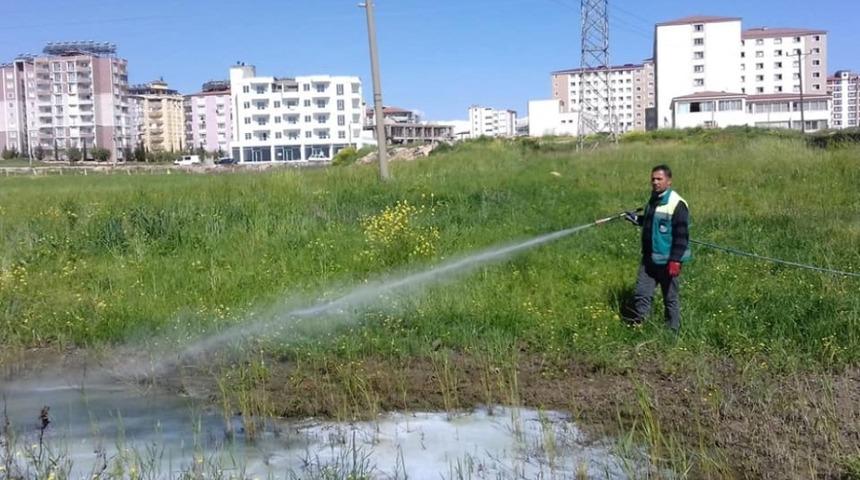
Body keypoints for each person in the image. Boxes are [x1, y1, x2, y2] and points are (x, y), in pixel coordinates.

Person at [624, 165, 690, 332]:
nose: (655, 182)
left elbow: (682, 236)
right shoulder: (654, 199)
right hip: (649, 258)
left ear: (669, 181)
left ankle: (672, 331)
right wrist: (637, 219)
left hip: (668, 260)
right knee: (641, 293)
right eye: (653, 179)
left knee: (670, 298)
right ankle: (640, 326)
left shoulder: (677, 204)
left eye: (659, 179)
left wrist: (675, 260)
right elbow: (650, 222)